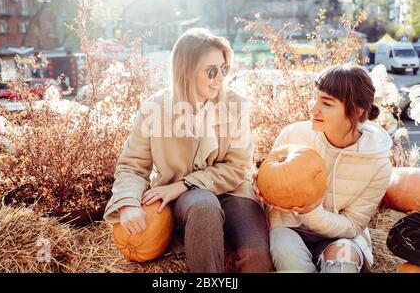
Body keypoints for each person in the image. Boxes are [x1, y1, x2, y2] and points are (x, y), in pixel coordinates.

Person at [104, 28, 271, 273]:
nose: (220, 78)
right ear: (186, 70)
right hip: (188, 202)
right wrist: (128, 204)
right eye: (211, 71)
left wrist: (183, 184)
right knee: (203, 204)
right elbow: (132, 166)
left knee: (256, 259)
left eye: (224, 69)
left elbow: (238, 167)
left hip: (234, 193)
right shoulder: (154, 109)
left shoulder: (236, 105)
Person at [255, 64, 393, 273]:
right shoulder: (293, 135)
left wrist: (312, 212)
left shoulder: (378, 163)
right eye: (315, 97)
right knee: (284, 249)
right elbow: (272, 183)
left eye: (326, 103)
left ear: (356, 110)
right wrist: (259, 188)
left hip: (341, 236)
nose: (313, 108)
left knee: (343, 263)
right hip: (289, 227)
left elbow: (353, 225)